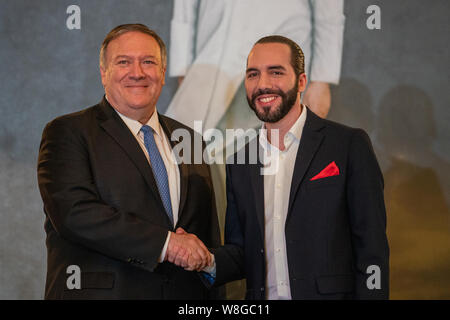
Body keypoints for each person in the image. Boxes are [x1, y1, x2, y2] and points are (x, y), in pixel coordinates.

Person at [179, 35, 389, 299]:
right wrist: (205, 259)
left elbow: (371, 248)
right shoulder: (239, 161)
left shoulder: (347, 145)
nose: (263, 84)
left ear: (301, 81)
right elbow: (242, 252)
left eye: (275, 72)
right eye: (253, 74)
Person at [37, 24, 219, 299]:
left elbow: (206, 234)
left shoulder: (190, 140)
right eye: (124, 62)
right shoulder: (68, 132)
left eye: (148, 62)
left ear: (161, 72)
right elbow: (74, 214)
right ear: (104, 73)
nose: (137, 72)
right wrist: (168, 244)